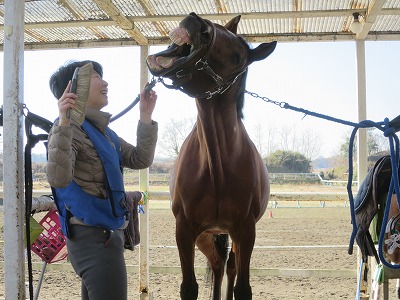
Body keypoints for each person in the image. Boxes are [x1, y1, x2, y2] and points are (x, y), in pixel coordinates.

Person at [46, 60, 158, 300]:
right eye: (96, 76)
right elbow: (58, 177)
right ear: (75, 87)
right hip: (95, 239)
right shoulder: (67, 128)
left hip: (104, 236)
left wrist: (146, 117)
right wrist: (64, 122)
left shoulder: (104, 132)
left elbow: (140, 159)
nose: (105, 82)